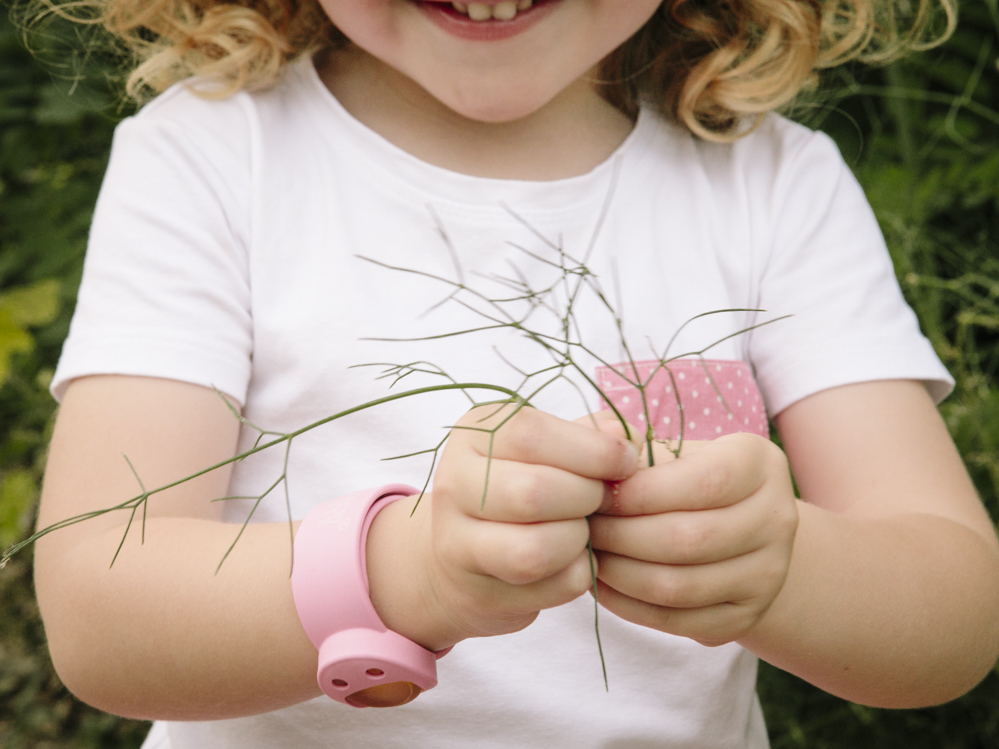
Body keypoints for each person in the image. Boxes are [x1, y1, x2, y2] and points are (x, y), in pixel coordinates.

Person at [31, 1, 999, 747]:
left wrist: (784, 563)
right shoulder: (210, 157)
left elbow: (956, 612)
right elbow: (103, 606)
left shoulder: (774, 186)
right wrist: (398, 573)